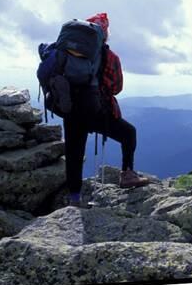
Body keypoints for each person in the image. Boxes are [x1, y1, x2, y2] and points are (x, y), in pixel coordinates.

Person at [62, 13, 150, 207]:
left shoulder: (67, 52)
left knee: (74, 152)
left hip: (69, 109)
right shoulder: (110, 57)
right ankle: (127, 175)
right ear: (105, 33)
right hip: (97, 111)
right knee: (129, 133)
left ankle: (74, 197)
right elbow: (117, 87)